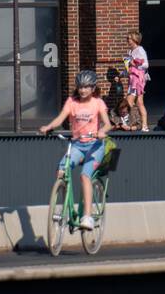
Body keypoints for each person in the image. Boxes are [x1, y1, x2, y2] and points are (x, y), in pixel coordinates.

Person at [39, 69, 112, 231]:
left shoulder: (98, 103)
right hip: (77, 145)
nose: (83, 90)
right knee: (61, 170)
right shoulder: (72, 102)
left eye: (86, 87)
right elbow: (61, 117)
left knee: (84, 175)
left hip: (94, 147)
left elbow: (108, 124)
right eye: (80, 87)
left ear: (93, 88)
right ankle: (67, 206)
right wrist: (48, 127)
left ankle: (87, 216)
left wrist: (102, 132)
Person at [125, 32, 150, 133]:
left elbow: (146, 65)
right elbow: (128, 67)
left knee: (129, 101)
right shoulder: (130, 51)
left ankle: (132, 123)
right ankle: (144, 125)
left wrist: (135, 63)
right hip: (132, 78)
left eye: (129, 38)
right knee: (140, 103)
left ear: (135, 39)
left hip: (138, 80)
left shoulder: (140, 49)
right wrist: (122, 74)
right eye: (127, 38)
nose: (127, 40)